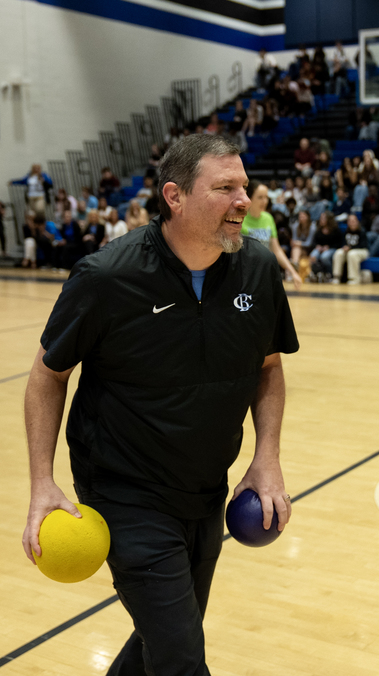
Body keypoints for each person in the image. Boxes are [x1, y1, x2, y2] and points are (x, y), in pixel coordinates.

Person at [22, 134, 298, 676]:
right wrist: (41, 483)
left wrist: (266, 458)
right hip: (125, 491)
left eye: (244, 186)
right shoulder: (108, 277)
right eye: (225, 188)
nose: (244, 200)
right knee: (181, 659)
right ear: (175, 197)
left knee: (167, 640)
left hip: (205, 487)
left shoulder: (258, 269)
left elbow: (269, 367)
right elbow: (47, 376)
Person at [242, 180, 303, 288]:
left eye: (266, 197)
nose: (264, 201)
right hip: (244, 274)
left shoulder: (268, 218)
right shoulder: (240, 218)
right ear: (249, 198)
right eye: (260, 197)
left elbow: (276, 249)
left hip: (263, 273)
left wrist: (292, 271)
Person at [331, 214, 370, 284]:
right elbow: (342, 243)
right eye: (350, 221)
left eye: (353, 221)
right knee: (338, 252)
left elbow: (363, 245)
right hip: (349, 251)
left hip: (362, 251)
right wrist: (344, 247)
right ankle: (336, 277)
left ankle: (354, 278)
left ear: (357, 222)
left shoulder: (362, 231)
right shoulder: (345, 232)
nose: (352, 223)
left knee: (352, 254)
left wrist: (350, 248)